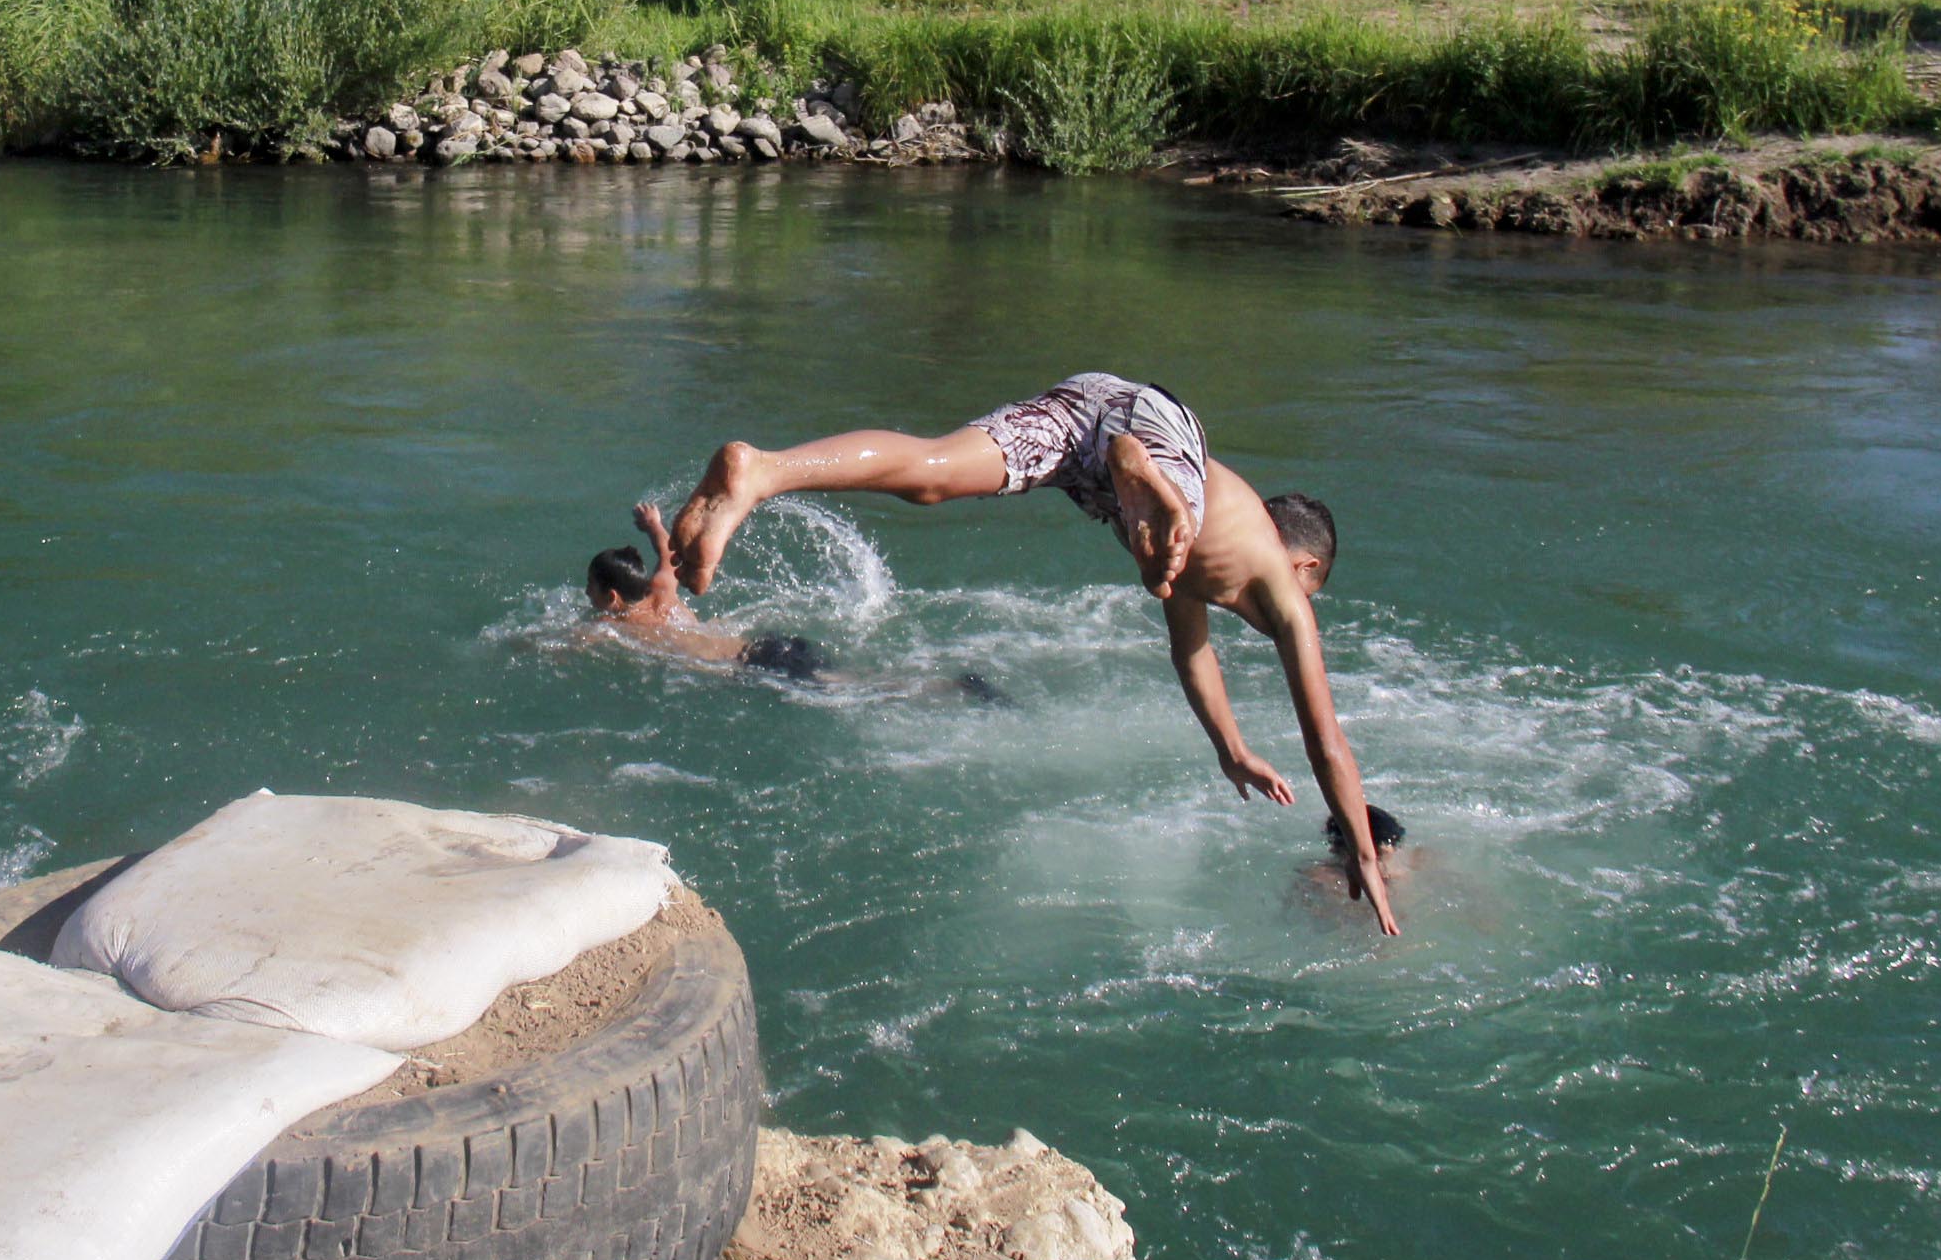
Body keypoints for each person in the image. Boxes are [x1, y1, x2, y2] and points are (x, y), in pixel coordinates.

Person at [665, 373, 1399, 933]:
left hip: (1090, 417)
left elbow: (1194, 657)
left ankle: (761, 472)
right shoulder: (1278, 582)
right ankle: (1143, 474)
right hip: (1155, 432)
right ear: (1308, 570)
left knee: (931, 474)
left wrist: (1230, 746)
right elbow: (1325, 739)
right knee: (1178, 497)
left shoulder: (1197, 571)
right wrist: (1363, 850)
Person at [579, 501, 994, 699]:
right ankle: (948, 684)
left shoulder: (615, 629)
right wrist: (652, 523)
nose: (585, 594)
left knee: (862, 689)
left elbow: (563, 645)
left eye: (590, 588)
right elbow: (667, 553)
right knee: (856, 678)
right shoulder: (662, 593)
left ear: (612, 597)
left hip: (751, 665)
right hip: (766, 644)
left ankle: (952, 688)